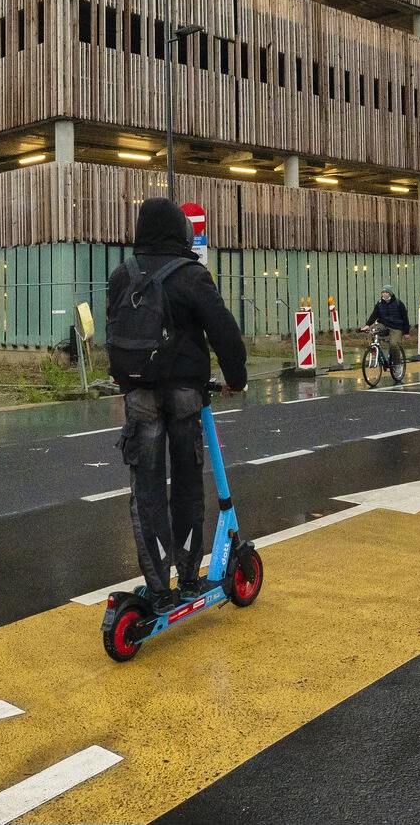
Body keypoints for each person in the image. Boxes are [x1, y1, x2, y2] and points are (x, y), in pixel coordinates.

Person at [104, 198, 247, 611]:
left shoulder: (121, 276)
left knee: (146, 490)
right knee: (186, 484)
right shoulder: (192, 275)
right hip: (186, 392)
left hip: (139, 392)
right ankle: (188, 579)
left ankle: (158, 585)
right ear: (180, 231)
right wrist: (234, 379)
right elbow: (224, 330)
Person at [364, 286, 412, 375]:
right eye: (383, 292)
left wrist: (406, 332)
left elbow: (405, 318)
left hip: (396, 327)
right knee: (371, 333)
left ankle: (397, 365)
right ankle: (374, 353)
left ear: (390, 293)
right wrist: (367, 325)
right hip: (384, 325)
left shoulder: (398, 303)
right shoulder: (379, 304)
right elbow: (374, 315)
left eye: (386, 292)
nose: (384, 294)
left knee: (393, 344)